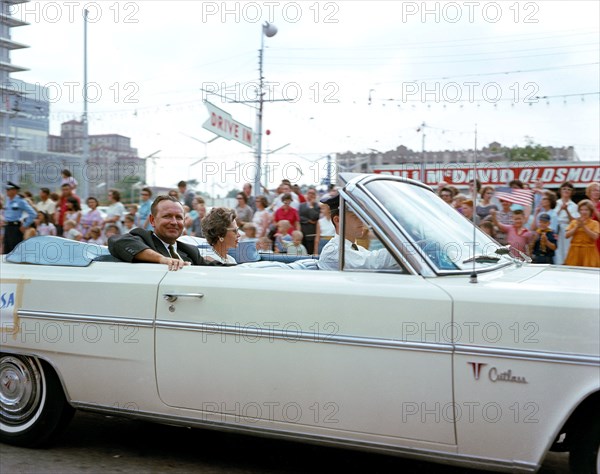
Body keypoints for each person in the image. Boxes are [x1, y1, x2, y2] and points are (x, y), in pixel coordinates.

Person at [109, 195, 214, 270]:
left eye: (178, 217)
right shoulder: (143, 238)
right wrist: (162, 259)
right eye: (167, 216)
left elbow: (219, 269)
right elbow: (117, 242)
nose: (174, 222)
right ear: (152, 220)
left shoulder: (191, 251)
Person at [318, 194, 398, 271]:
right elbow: (372, 262)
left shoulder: (355, 248)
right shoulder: (333, 251)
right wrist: (402, 250)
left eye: (361, 216)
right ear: (338, 220)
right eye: (355, 216)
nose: (361, 221)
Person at [3, 181, 37, 253]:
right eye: (6, 189)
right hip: (7, 227)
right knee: (6, 249)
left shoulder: (20, 201)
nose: (7, 191)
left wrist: (25, 225)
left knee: (14, 250)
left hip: (15, 228)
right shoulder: (8, 200)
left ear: (14, 191)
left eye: (9, 189)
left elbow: (33, 213)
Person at [564, 200, 600, 267]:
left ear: (590, 211)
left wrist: (583, 226)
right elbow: (566, 235)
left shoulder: (595, 223)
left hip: (589, 251)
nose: (583, 212)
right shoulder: (574, 222)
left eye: (586, 210)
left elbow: (595, 237)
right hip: (574, 251)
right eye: (581, 210)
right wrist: (577, 226)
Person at [554, 182, 579, 265]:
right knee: (558, 249)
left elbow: (574, 221)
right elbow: (552, 217)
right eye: (564, 189)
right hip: (557, 228)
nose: (566, 191)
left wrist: (566, 210)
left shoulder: (574, 206)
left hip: (568, 228)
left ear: (572, 192)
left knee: (567, 248)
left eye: (569, 189)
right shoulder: (556, 203)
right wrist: (561, 209)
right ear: (560, 191)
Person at [299, 187, 320, 254]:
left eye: (312, 193)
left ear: (315, 195)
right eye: (309, 193)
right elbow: (299, 217)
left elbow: (315, 217)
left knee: (310, 251)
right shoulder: (301, 205)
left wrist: (311, 206)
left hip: (311, 233)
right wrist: (308, 220)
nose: (310, 195)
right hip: (302, 231)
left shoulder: (317, 206)